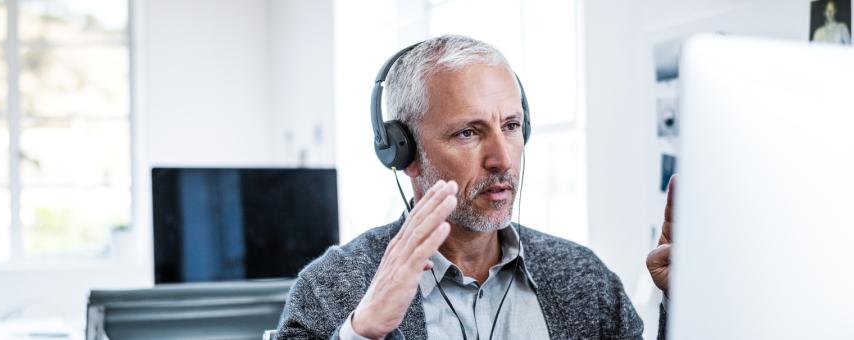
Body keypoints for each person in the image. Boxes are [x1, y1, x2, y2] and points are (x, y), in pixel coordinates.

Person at [277, 34, 674, 339]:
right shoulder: (334, 287)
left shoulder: (585, 278)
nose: (502, 159)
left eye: (511, 126)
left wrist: (686, 300)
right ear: (403, 151)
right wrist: (362, 331)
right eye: (468, 132)